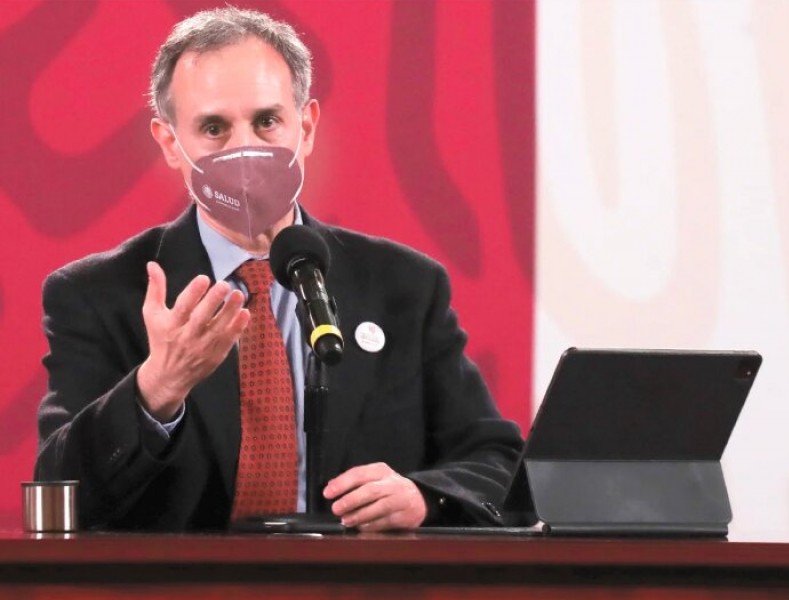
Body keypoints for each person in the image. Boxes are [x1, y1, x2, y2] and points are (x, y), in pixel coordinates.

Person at [35, 7, 523, 532]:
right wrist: (156, 388)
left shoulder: (404, 287)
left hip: (358, 576)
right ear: (171, 144)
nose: (245, 149)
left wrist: (426, 498)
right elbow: (61, 493)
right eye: (214, 128)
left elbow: (498, 464)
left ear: (306, 127)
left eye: (267, 122)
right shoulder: (97, 295)